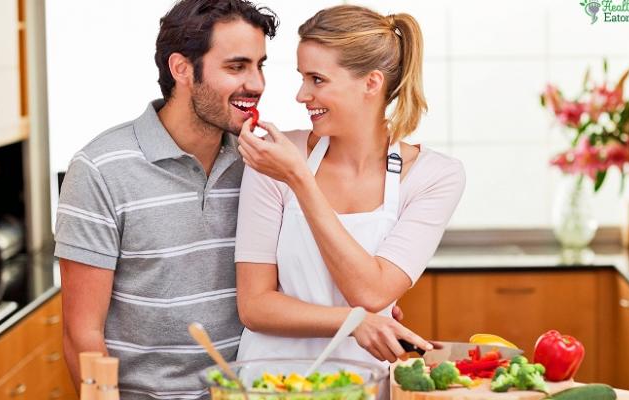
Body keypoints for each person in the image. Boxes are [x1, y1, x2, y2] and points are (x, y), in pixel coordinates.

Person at [54, 1, 278, 398]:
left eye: (260, 65)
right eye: (236, 66)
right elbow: (81, 333)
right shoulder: (100, 168)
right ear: (182, 69)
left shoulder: (260, 164)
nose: (257, 83)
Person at [234, 3, 466, 374]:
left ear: (371, 83)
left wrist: (300, 181)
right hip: (270, 383)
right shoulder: (276, 157)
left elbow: (372, 291)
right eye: (302, 77)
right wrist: (355, 321)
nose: (301, 94)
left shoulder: (434, 176)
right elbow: (254, 305)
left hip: (365, 383)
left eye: (317, 79)